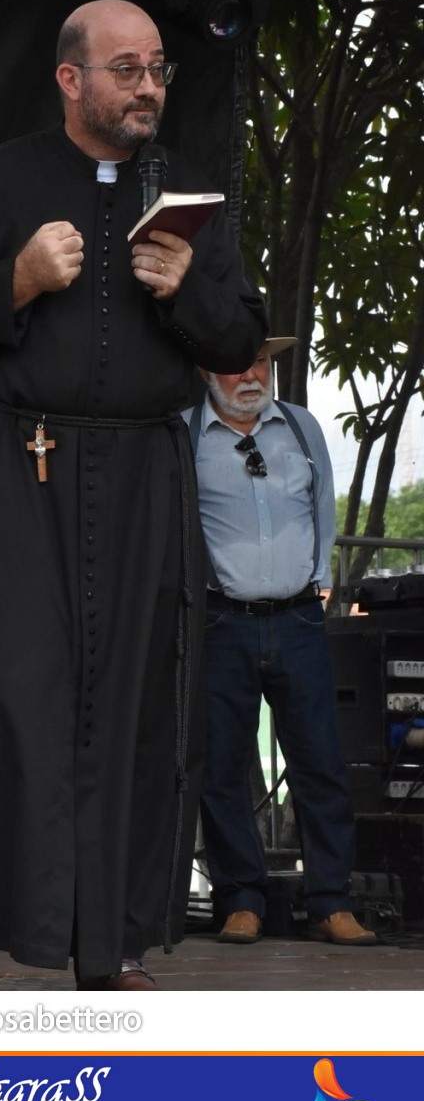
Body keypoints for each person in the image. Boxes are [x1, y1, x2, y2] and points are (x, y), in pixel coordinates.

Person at [0, 0, 268, 990]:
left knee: (129, 708)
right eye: (125, 69)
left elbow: (236, 342)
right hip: (11, 470)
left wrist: (184, 285)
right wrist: (13, 280)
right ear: (70, 79)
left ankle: (105, 944)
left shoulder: (188, 191)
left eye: (156, 68)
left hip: (142, 475)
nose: (147, 85)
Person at [184, 338, 377, 946]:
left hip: (297, 619)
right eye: (236, 361)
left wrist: (318, 580)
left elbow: (322, 506)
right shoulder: (186, 434)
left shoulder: (300, 426)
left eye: (261, 361)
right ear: (204, 370)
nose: (250, 374)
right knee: (221, 768)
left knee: (320, 760)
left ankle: (330, 900)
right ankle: (241, 900)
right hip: (222, 621)